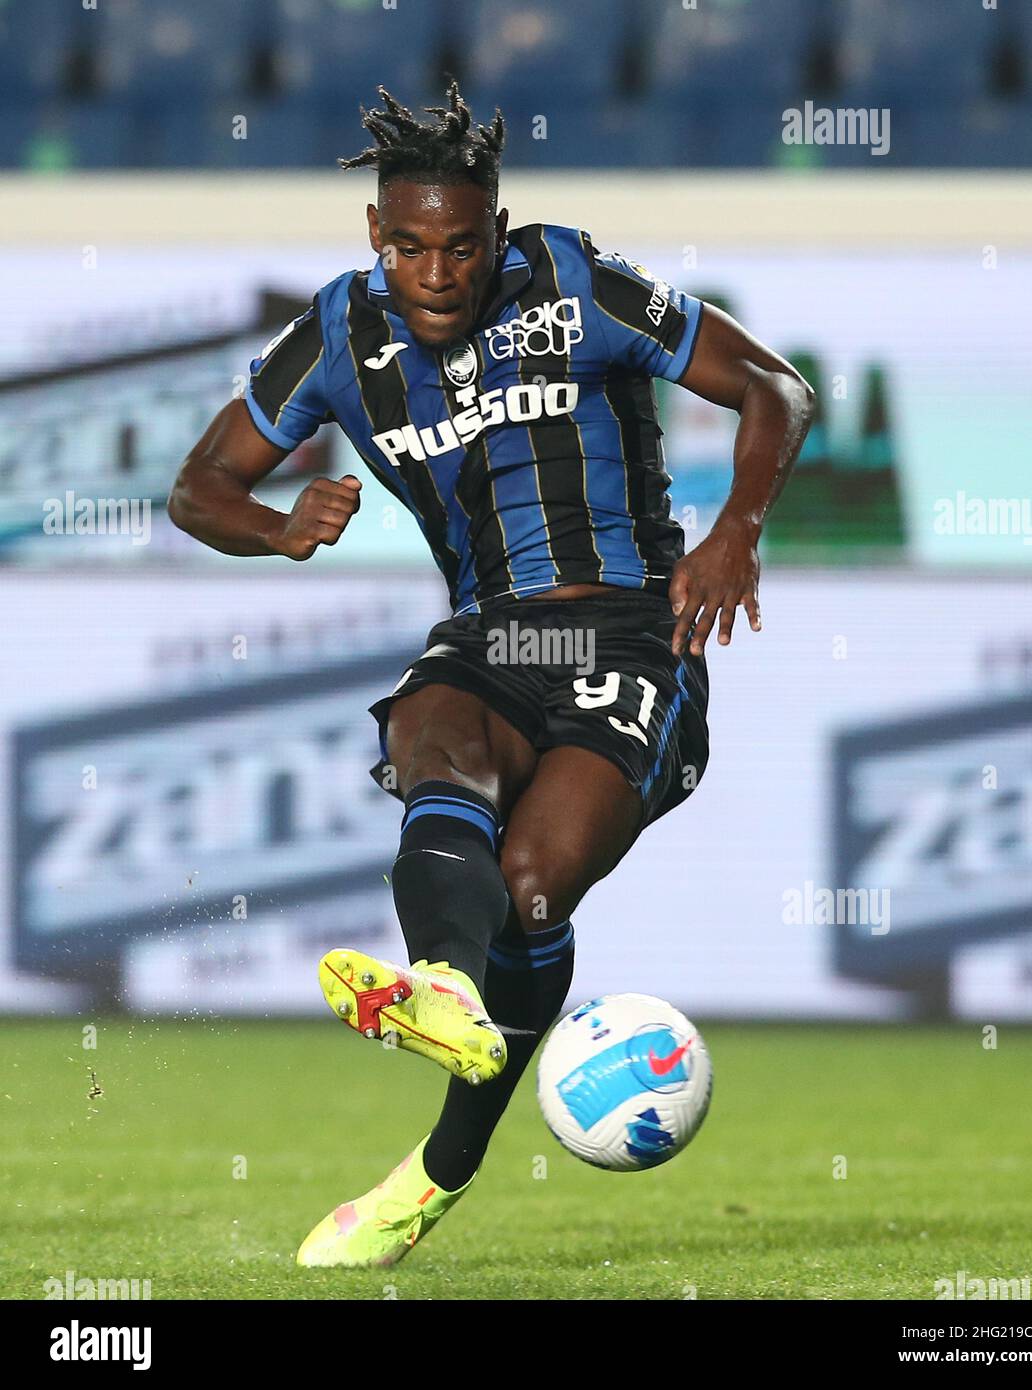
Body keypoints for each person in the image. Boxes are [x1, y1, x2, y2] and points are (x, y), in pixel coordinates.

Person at [167, 83, 814, 1269]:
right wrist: (276, 525)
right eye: (410, 245)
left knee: (529, 887)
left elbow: (775, 387)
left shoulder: (573, 279)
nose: (438, 272)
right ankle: (443, 989)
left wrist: (738, 530)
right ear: (376, 238)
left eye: (462, 245)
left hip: (632, 633)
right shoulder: (336, 337)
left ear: (496, 228)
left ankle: (436, 1172)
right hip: (499, 637)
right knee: (434, 727)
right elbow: (197, 486)